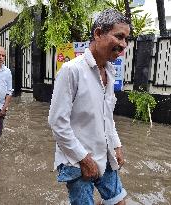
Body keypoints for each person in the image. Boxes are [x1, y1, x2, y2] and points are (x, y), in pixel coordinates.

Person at [48, 9, 130, 205]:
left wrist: (116, 145)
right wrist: (84, 159)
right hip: (76, 160)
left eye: (126, 39)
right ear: (98, 33)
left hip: (105, 153)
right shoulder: (71, 70)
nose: (123, 44)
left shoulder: (110, 73)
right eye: (119, 36)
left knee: (119, 202)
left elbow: (107, 117)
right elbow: (57, 123)